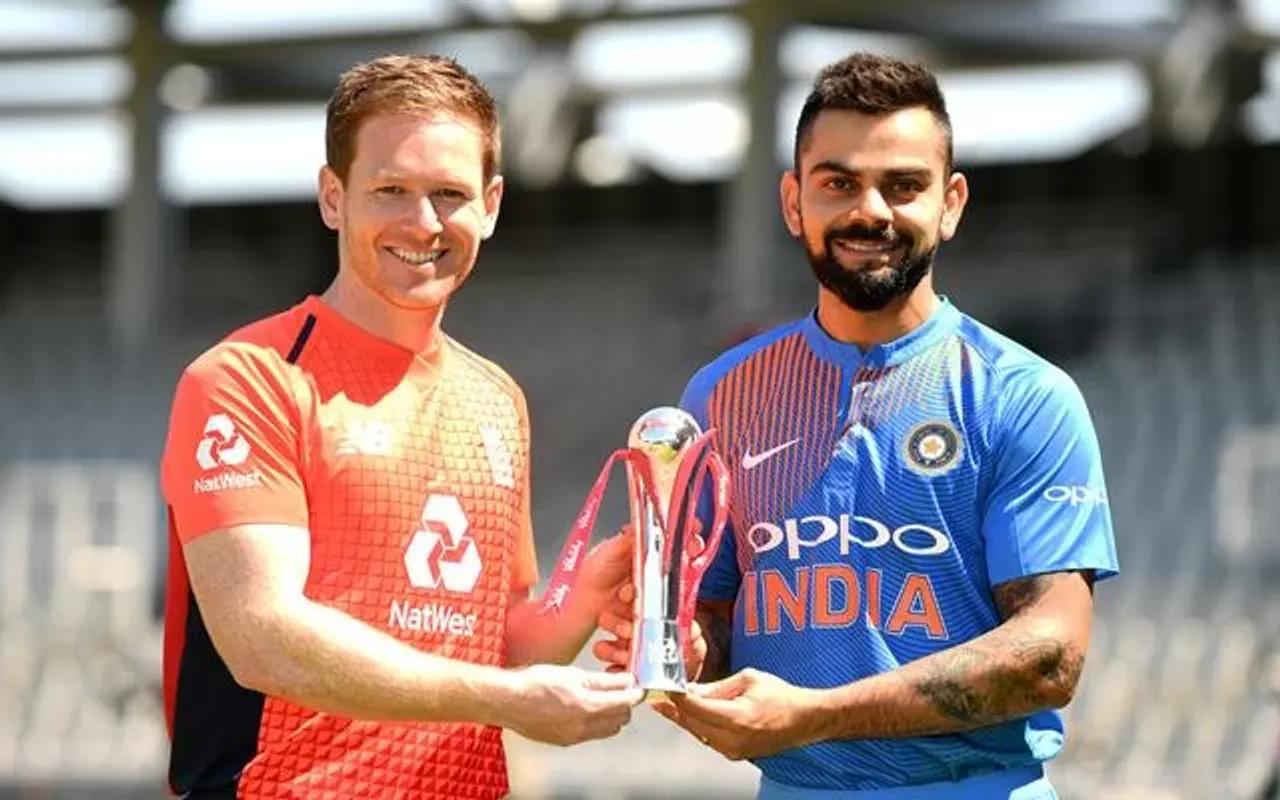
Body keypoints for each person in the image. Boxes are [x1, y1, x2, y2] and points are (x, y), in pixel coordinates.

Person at [594, 51, 1119, 799]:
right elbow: (710, 617)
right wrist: (676, 644)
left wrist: (815, 716)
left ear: (951, 202)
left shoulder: (1023, 395)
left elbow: (1051, 655)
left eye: (903, 185)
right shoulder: (719, 397)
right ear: (792, 201)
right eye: (838, 182)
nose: (870, 210)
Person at [159, 54, 642, 800]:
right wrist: (503, 701)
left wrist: (586, 593)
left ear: (491, 203)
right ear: (333, 197)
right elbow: (264, 640)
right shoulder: (246, 379)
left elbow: (496, 643)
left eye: (449, 193)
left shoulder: (497, 397)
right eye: (391, 190)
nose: (423, 223)